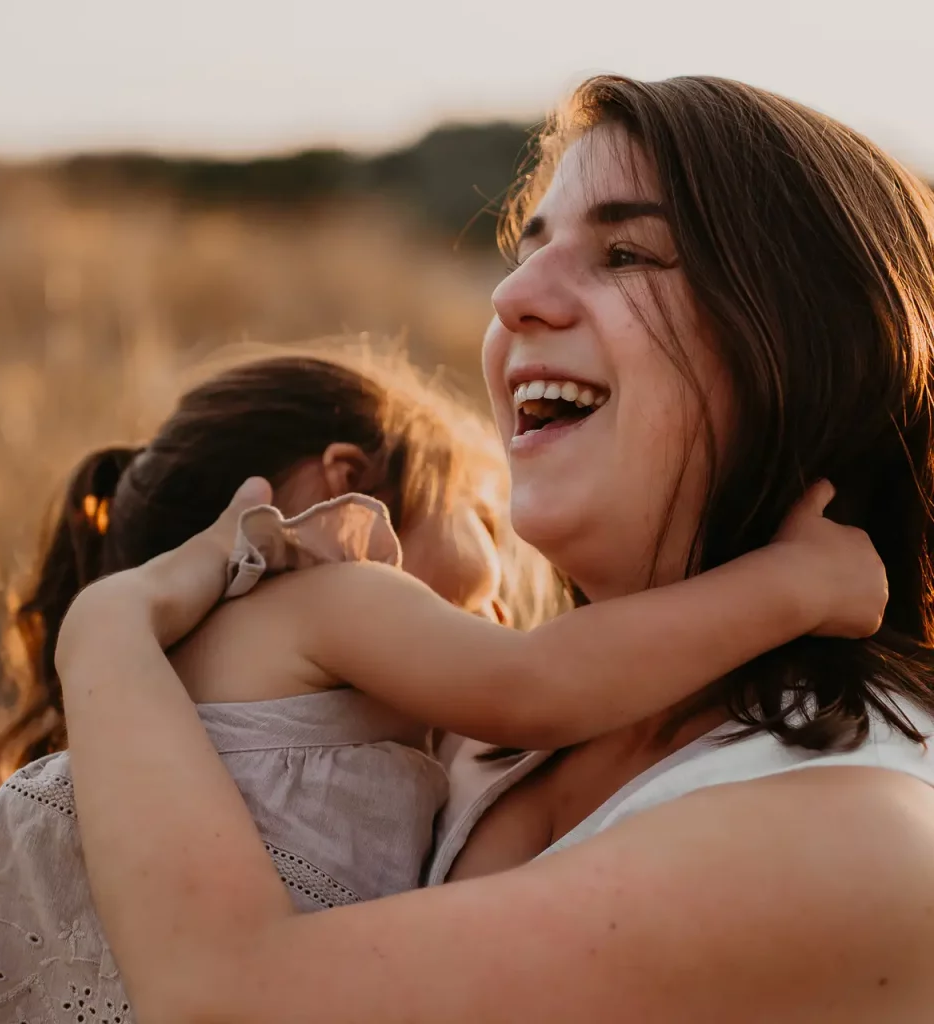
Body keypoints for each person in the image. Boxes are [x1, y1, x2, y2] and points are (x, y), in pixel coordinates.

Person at [49, 74, 934, 1021]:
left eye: (627, 254)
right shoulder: (460, 727)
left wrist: (103, 629)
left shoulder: (858, 838)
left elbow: (227, 999)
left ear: (815, 343)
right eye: (529, 252)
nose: (511, 296)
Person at [0, 340, 880, 1024]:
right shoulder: (330, 598)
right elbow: (537, 684)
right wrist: (793, 586)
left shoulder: (209, 670)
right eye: (481, 521)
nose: (501, 597)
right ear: (346, 481)